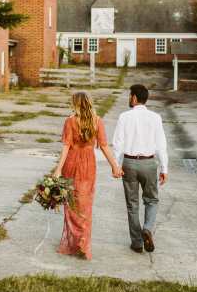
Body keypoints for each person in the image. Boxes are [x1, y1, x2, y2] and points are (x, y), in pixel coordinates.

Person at [53, 92, 122, 260]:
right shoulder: (97, 121)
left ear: (76, 104)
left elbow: (66, 147)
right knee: (85, 204)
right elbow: (104, 146)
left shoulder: (70, 121)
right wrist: (115, 166)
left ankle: (75, 243)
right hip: (88, 164)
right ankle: (83, 242)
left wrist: (58, 169)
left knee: (71, 204)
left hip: (72, 162)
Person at [112, 84, 168, 254]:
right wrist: (164, 168)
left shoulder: (124, 117)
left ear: (135, 98)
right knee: (151, 200)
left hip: (129, 163)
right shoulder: (155, 117)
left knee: (132, 204)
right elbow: (161, 145)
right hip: (149, 163)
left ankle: (136, 243)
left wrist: (116, 164)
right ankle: (148, 228)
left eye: (130, 95)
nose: (129, 98)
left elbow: (118, 144)